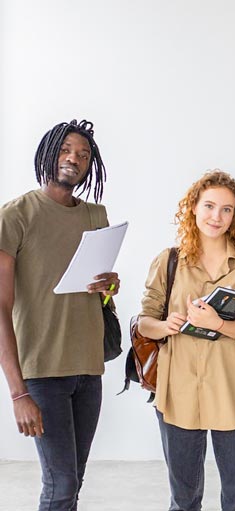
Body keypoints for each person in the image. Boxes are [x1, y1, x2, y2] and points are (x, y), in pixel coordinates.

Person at [0, 119, 120, 510]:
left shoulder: (95, 215)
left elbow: (99, 297)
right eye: (67, 150)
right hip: (42, 372)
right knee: (61, 483)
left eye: (84, 155)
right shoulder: (15, 215)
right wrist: (18, 392)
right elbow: (1, 307)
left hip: (88, 369)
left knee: (72, 481)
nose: (75, 159)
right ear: (49, 153)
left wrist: (109, 286)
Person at [137, 170, 235, 511]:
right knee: (183, 499)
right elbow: (144, 322)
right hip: (178, 391)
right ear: (193, 207)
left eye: (227, 209)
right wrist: (167, 324)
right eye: (209, 206)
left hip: (232, 388)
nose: (217, 216)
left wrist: (217, 324)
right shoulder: (168, 261)